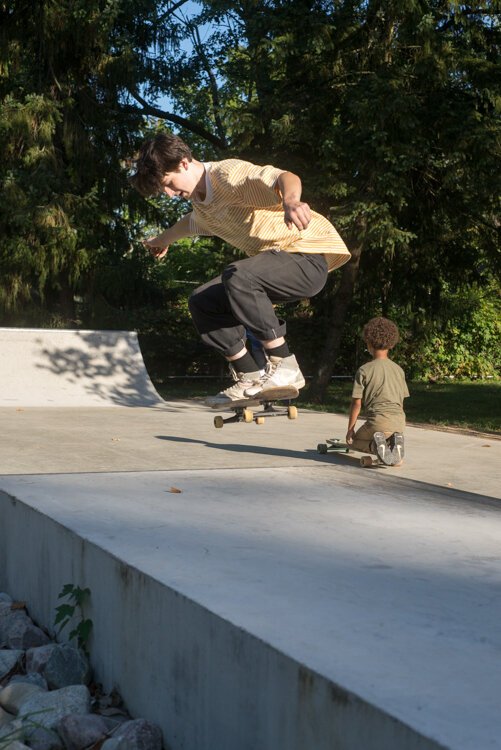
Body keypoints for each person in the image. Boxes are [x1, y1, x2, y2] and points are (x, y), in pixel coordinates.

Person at [130, 132, 350, 406]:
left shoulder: (227, 175)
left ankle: (284, 365)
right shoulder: (203, 206)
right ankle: (250, 374)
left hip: (305, 256)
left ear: (184, 163)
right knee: (203, 301)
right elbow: (188, 224)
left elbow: (285, 177)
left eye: (169, 184)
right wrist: (161, 240)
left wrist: (291, 201)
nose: (170, 194)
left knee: (238, 275)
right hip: (275, 267)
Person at [346, 317, 409, 466]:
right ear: (391, 344)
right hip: (399, 423)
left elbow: (356, 403)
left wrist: (350, 430)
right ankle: (393, 444)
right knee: (386, 439)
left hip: (377, 422)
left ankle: (375, 447)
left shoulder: (364, 370)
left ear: (369, 343)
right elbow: (401, 400)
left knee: (353, 442)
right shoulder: (399, 370)